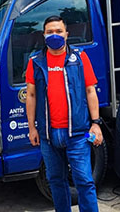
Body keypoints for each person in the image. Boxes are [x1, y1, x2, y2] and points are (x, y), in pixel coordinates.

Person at [26, 16, 102, 212]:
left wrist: (96, 123)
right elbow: (31, 95)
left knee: (84, 181)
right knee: (55, 181)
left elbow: (90, 90)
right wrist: (32, 127)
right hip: (48, 135)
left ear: (67, 34)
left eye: (59, 31)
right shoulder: (35, 62)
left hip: (77, 133)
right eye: (50, 32)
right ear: (43, 35)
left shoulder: (79, 58)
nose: (55, 35)